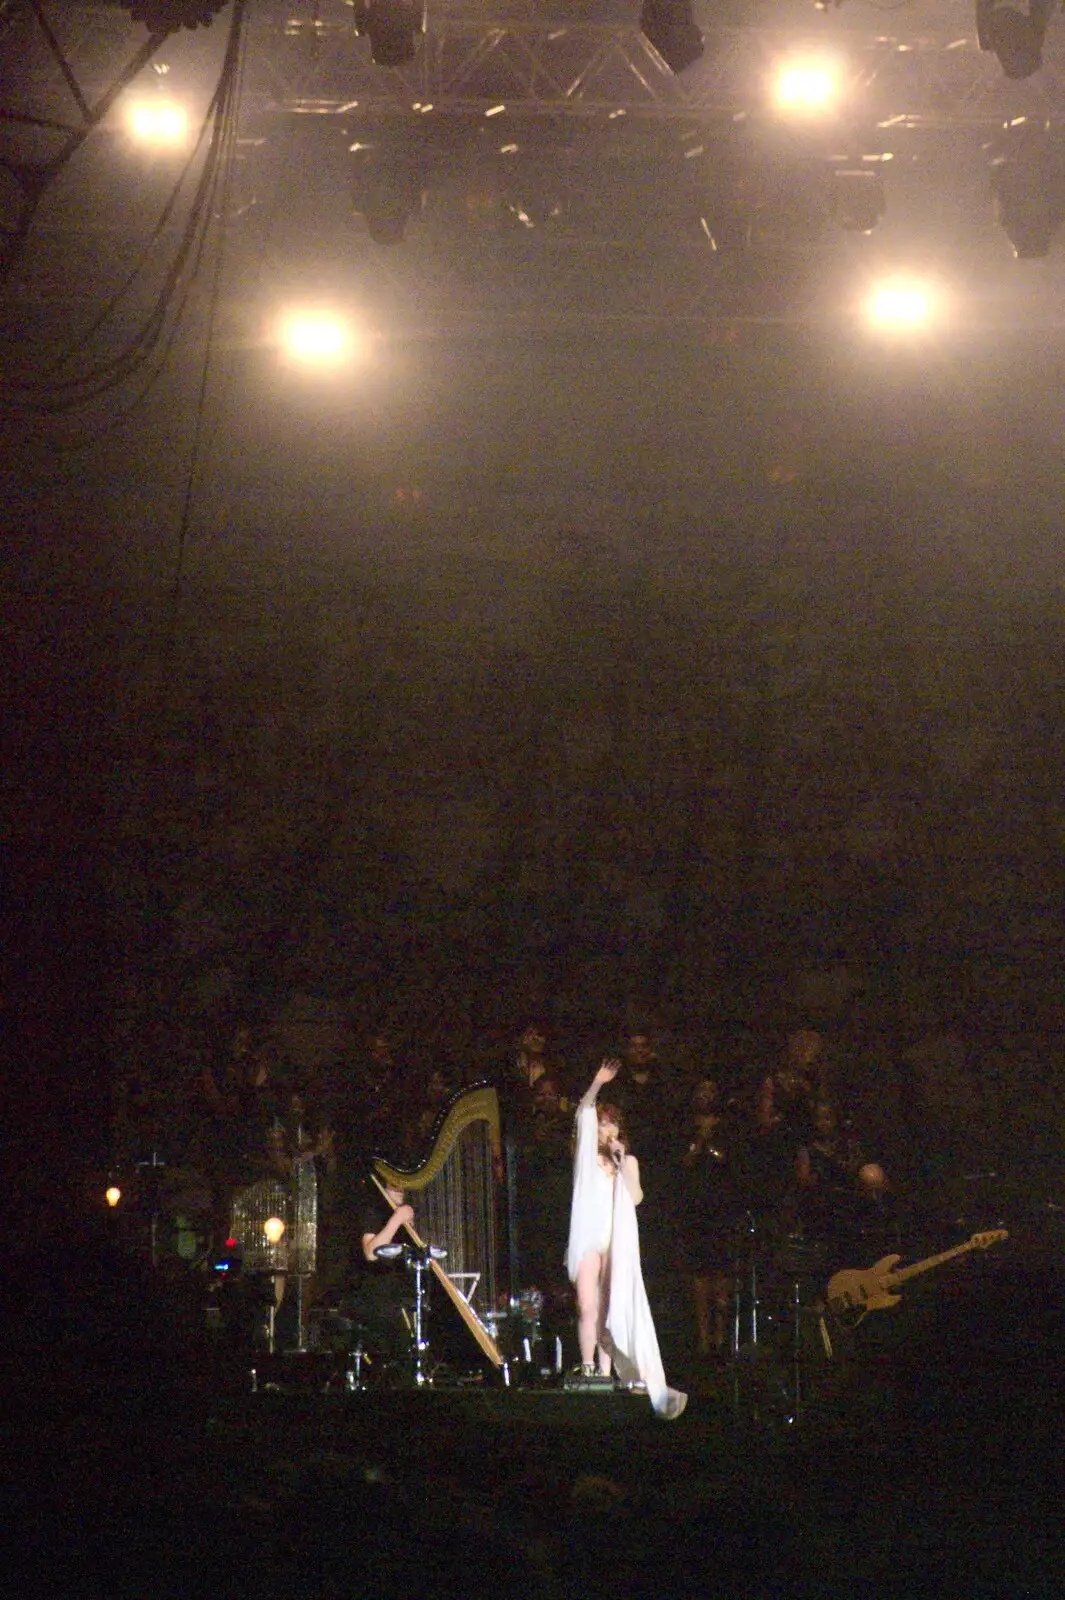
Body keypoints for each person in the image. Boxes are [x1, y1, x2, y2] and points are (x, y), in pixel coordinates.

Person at [565, 1058, 686, 1420]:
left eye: (612, 1123)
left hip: (615, 1240)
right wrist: (597, 1083)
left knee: (609, 1307)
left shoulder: (626, 1161)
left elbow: (635, 1198)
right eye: (603, 1123)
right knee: (587, 1305)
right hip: (589, 1238)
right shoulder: (585, 1160)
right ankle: (587, 1367)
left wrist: (621, 1166)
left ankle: (605, 1372)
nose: (606, 1128)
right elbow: (583, 1111)